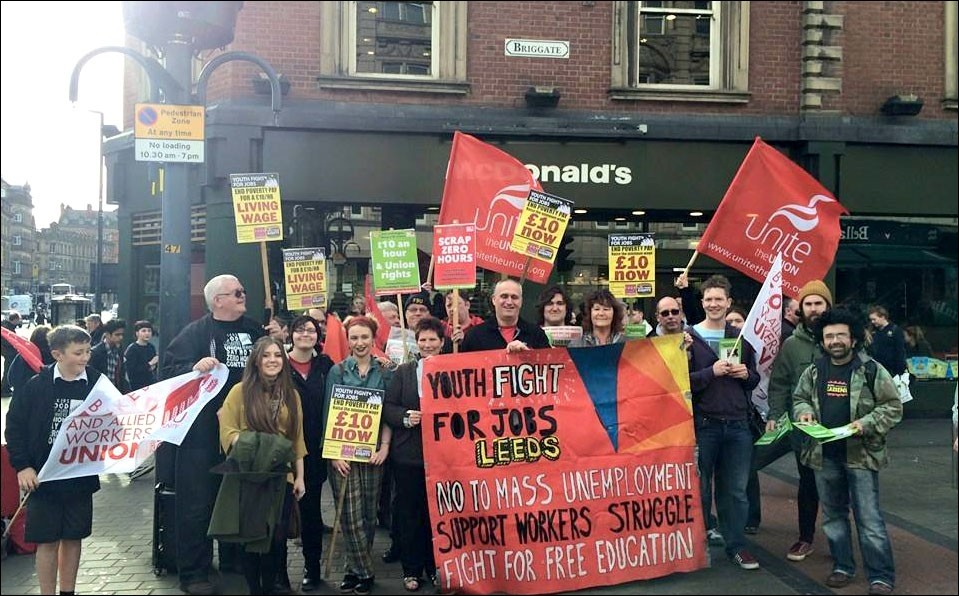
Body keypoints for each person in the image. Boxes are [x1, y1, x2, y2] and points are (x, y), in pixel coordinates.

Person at [162, 274, 281, 595]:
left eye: (243, 291)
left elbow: (276, 368)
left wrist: (278, 342)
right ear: (218, 300)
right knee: (196, 504)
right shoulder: (194, 333)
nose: (244, 295)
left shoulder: (256, 330)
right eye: (237, 292)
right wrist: (193, 367)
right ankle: (194, 573)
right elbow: (168, 372)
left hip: (246, 431)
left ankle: (235, 559)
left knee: (240, 498)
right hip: (201, 435)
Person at [792, 308, 901, 596]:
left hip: (861, 456)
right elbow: (799, 398)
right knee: (833, 516)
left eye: (841, 335)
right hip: (824, 455)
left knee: (869, 518)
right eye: (829, 336)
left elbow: (893, 407)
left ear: (853, 339)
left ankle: (880, 575)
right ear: (822, 340)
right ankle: (842, 566)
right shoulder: (814, 371)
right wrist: (804, 413)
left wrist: (865, 424)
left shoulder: (871, 369)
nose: (835, 341)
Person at [5, 325, 102, 596]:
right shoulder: (37, 385)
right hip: (43, 477)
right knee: (47, 541)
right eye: (78, 353)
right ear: (58, 354)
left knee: (73, 537)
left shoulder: (97, 383)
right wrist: (23, 466)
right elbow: (14, 427)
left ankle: (68, 591)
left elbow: (115, 420)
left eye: (88, 351)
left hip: (79, 475)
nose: (85, 358)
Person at [217, 336, 307, 595]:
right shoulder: (239, 391)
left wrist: (300, 477)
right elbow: (228, 431)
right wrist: (257, 443)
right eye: (266, 355)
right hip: (249, 474)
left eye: (277, 355)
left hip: (281, 476)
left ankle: (269, 587)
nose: (272, 360)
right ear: (256, 361)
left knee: (276, 539)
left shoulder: (291, 395)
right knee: (251, 539)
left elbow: (297, 439)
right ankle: (254, 589)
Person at [686, 274, 760, 571]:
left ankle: (736, 545)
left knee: (736, 491)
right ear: (702, 302)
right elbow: (681, 381)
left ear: (729, 302)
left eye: (719, 299)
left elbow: (753, 378)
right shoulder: (689, 338)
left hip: (738, 425)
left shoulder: (741, 337)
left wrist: (747, 375)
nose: (714, 304)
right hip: (705, 425)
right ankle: (699, 542)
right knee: (700, 488)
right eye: (709, 299)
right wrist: (710, 372)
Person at [325, 316, 394, 596]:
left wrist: (385, 447)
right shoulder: (338, 371)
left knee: (367, 514)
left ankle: (353, 569)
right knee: (349, 516)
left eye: (364, 337)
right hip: (342, 451)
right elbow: (329, 412)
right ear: (348, 340)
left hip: (373, 450)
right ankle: (366, 571)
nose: (360, 342)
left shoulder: (385, 371)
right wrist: (333, 455)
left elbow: (389, 412)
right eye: (354, 337)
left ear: (373, 338)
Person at [766, 279, 833, 563]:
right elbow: (779, 384)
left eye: (819, 303)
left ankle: (839, 542)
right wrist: (775, 415)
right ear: (801, 309)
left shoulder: (841, 338)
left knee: (838, 485)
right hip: (804, 430)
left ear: (828, 306)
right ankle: (805, 537)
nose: (814, 309)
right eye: (809, 304)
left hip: (839, 428)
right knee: (808, 484)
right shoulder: (792, 345)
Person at [383, 317, 445, 591]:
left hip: (442, 457)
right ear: (416, 343)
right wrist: (406, 417)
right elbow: (389, 407)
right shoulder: (404, 372)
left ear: (442, 342)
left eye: (432, 339)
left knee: (436, 515)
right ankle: (411, 569)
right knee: (410, 513)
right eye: (423, 340)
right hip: (409, 456)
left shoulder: (453, 369)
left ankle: (435, 567)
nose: (427, 344)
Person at [286, 315, 335, 592]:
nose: (305, 334)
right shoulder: (279, 365)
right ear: (291, 334)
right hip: (285, 449)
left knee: (311, 512)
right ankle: (277, 572)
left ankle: (311, 567)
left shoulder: (325, 365)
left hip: (315, 451)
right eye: (300, 330)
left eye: (311, 330)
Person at [460, 279, 550, 353]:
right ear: (494, 300)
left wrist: (529, 354)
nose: (509, 302)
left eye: (514, 297)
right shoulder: (474, 336)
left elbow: (548, 365)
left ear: (521, 301)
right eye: (504, 296)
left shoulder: (537, 334)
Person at [7, 325, 55, 396]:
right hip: (45, 397)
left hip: (21, 397)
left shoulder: (23, 356)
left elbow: (11, 379)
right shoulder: (55, 357)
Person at [89, 318, 128, 393]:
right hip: (100, 393)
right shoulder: (96, 353)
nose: (121, 337)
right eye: (117, 335)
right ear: (107, 334)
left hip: (116, 392)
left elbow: (121, 375)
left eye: (122, 334)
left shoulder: (119, 350)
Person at [867, 305, 907, 377]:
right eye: (871, 320)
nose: (872, 322)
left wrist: (900, 371)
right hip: (877, 370)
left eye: (874, 319)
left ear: (882, 317)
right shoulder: (874, 332)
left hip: (892, 370)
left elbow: (900, 351)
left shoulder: (895, 330)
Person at [124, 320, 158, 391]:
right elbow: (131, 371)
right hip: (137, 387)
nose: (147, 333)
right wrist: (150, 364)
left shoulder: (151, 347)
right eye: (143, 331)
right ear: (137, 333)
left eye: (149, 331)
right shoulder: (132, 349)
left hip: (151, 385)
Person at [1, 310, 23, 396]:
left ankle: (6, 387)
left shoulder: (7, 326)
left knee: (8, 369)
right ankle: (4, 389)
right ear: (15, 319)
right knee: (8, 370)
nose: (19, 321)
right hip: (9, 352)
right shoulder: (8, 328)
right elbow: (7, 341)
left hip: (8, 351)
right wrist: (15, 344)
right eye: (18, 319)